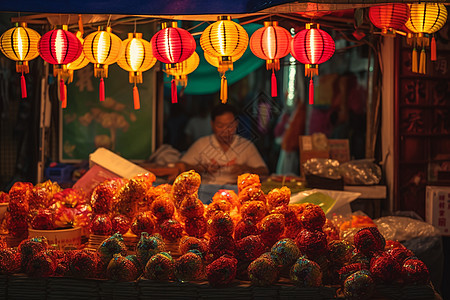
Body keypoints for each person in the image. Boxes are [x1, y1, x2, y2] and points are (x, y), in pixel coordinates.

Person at [178, 103, 269, 185]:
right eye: (220, 126)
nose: (225, 131)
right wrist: (202, 168)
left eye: (230, 126)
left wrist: (246, 168)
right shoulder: (201, 144)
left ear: (236, 124)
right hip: (207, 190)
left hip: (237, 191)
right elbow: (181, 166)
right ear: (212, 124)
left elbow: (264, 171)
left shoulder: (246, 145)